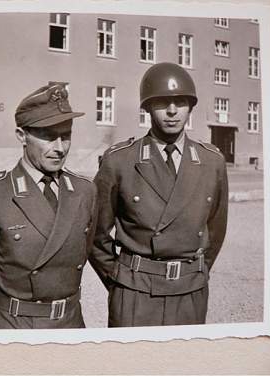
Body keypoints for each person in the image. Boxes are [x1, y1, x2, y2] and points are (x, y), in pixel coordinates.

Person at [91, 62, 229, 327]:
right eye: (162, 102)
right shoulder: (120, 160)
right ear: (147, 108)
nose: (172, 111)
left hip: (189, 291)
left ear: (191, 107)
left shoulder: (212, 162)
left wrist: (195, 272)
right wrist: (121, 278)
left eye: (181, 102)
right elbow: (95, 233)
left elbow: (216, 229)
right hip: (135, 291)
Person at [0, 84, 97, 329]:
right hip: (15, 327)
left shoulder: (84, 191)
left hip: (71, 325)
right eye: (48, 136)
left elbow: (86, 247)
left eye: (66, 135)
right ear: (21, 135)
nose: (59, 147)